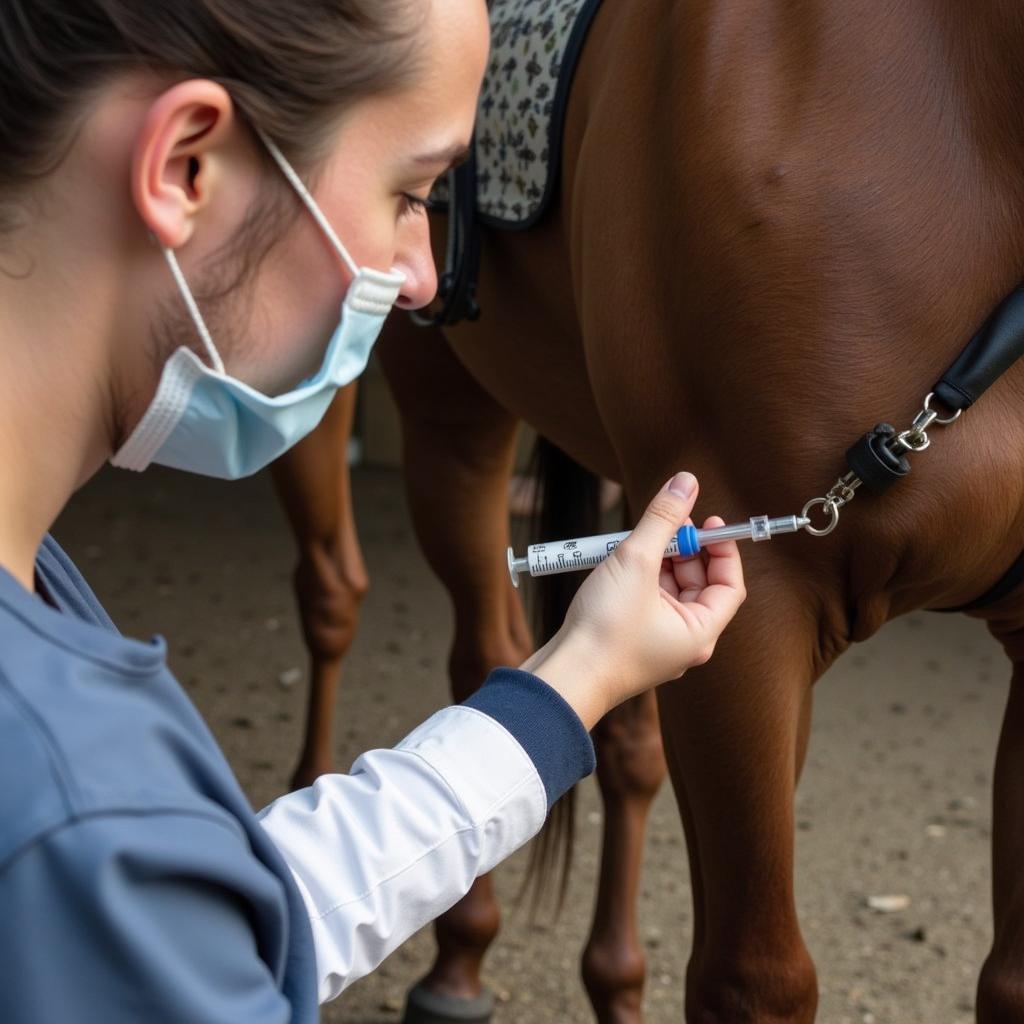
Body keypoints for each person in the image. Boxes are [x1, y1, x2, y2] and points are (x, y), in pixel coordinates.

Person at [0, 2, 746, 1020]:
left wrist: (576, 675)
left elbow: (199, 932)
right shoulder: (69, 797)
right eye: (411, 193)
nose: (425, 276)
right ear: (185, 165)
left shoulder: (44, 646)